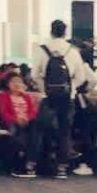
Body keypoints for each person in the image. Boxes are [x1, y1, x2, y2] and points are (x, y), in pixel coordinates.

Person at [33, 20, 86, 179]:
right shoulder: (72, 51)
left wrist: (45, 89)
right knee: (65, 132)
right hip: (67, 97)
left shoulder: (42, 50)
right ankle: (62, 167)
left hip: (48, 97)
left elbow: (35, 75)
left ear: (51, 31)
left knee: (41, 129)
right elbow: (81, 77)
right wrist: (71, 87)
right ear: (65, 33)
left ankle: (39, 164)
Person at [0, 71, 40, 178]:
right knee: (17, 133)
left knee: (36, 130)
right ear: (8, 84)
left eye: (19, 82)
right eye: (13, 82)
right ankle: (18, 165)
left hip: (27, 121)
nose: (17, 84)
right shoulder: (4, 96)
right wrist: (16, 119)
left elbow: (33, 112)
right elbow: (4, 113)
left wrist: (26, 118)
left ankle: (30, 163)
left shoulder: (27, 96)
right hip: (11, 122)